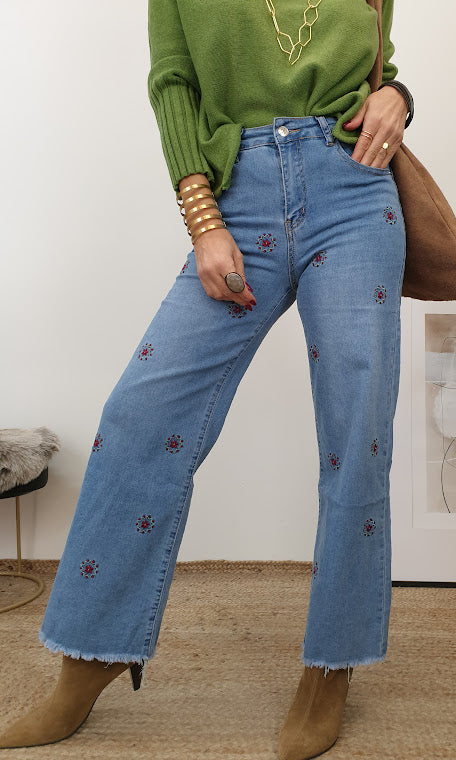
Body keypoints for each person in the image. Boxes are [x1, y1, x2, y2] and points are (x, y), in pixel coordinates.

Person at [0, 1, 413, 757]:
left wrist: (400, 97)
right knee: (139, 416)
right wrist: (203, 220)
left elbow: (380, 66)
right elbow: (173, 82)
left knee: (357, 434)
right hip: (238, 197)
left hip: (354, 192)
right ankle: (90, 655)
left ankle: (333, 664)